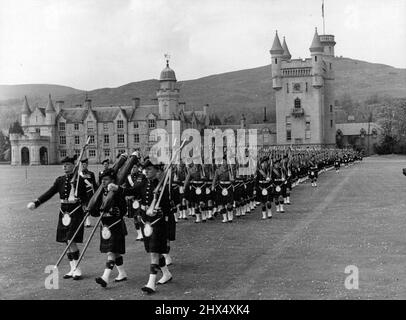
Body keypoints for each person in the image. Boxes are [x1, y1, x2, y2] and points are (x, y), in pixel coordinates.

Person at [116, 159, 173, 294]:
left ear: (156, 171)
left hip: (157, 222)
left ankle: (151, 283)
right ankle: (166, 273)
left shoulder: (162, 185)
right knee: (154, 250)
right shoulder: (143, 183)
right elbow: (131, 191)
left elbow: (168, 206)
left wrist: (159, 210)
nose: (146, 171)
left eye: (149, 170)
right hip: (145, 221)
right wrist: (118, 188)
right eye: (145, 169)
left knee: (154, 251)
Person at [27, 155, 87, 280]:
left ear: (73, 166)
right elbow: (50, 192)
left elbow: (87, 197)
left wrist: (79, 199)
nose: (65, 167)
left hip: (75, 212)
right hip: (63, 212)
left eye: (67, 165)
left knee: (71, 240)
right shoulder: (60, 180)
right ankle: (72, 268)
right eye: (63, 165)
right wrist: (37, 202)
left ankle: (77, 268)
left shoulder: (79, 180)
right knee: (66, 241)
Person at [94, 169, 128, 288]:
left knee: (111, 251)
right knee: (115, 252)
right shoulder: (99, 193)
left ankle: (105, 277)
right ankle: (122, 273)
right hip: (105, 226)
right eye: (102, 180)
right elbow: (95, 210)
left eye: (106, 179)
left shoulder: (117, 193)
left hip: (116, 224)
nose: (103, 182)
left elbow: (124, 209)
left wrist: (116, 211)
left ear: (112, 180)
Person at [122, 162, 145, 241]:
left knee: (140, 217)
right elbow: (127, 188)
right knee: (135, 218)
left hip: (140, 199)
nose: (133, 169)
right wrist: (127, 196)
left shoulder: (142, 176)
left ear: (137, 167)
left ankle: (143, 233)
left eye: (134, 167)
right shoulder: (128, 177)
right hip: (132, 201)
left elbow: (143, 188)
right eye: (132, 167)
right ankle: (139, 234)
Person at [80, 158, 97, 227]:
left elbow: (94, 184)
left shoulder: (91, 173)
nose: (83, 166)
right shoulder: (79, 174)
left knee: (88, 206)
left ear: (87, 165)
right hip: (82, 192)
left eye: (85, 164)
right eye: (82, 165)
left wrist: (95, 193)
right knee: (82, 206)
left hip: (89, 192)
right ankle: (84, 220)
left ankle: (87, 220)